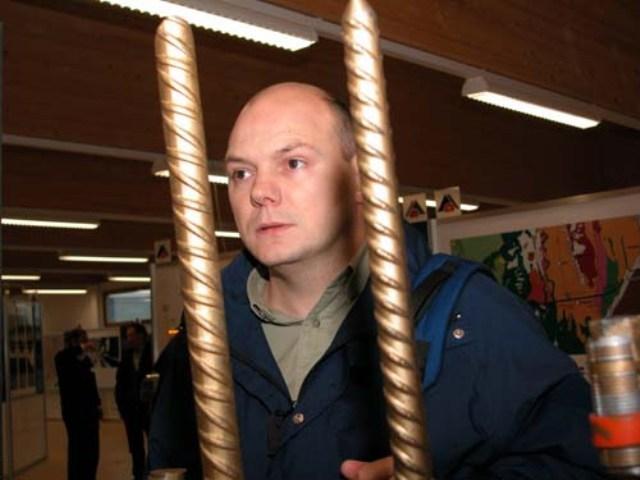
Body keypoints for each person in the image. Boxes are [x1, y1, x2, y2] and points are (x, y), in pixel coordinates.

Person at [148, 82, 604, 479]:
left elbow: (582, 462)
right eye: (240, 173)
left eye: (293, 162)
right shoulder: (204, 336)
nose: (259, 191)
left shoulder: (466, 317)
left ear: (363, 176)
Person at [55, 327, 101, 480]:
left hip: (90, 412)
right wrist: (81, 349)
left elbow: (90, 383)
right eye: (82, 340)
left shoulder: (84, 360)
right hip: (75, 414)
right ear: (73, 341)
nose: (85, 343)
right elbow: (69, 363)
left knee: (93, 451)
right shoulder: (62, 358)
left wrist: (98, 404)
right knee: (78, 451)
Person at [116, 323, 153, 480]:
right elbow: (120, 384)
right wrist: (122, 407)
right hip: (131, 410)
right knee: (135, 447)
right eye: (127, 336)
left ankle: (152, 471)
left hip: (148, 408)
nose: (129, 339)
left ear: (141, 335)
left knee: (154, 442)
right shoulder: (126, 357)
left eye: (132, 335)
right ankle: (138, 474)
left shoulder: (152, 353)